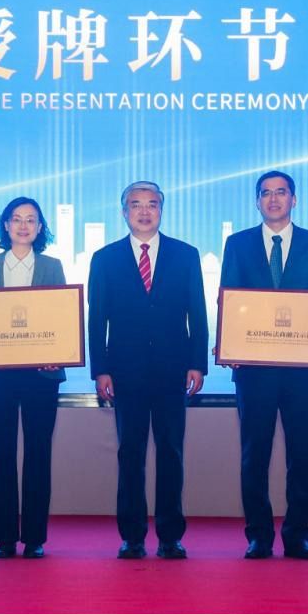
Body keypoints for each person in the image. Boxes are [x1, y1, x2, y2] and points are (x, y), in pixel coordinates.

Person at [218, 170, 308, 561]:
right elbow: (229, 299)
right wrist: (228, 341)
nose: (273, 199)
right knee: (254, 455)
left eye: (281, 192)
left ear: (294, 199)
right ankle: (258, 537)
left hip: (302, 372)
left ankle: (297, 536)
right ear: (257, 201)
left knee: (302, 456)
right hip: (253, 370)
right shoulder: (238, 244)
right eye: (266, 193)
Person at [87, 181, 208, 560]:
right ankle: (132, 536)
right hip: (125, 371)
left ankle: (171, 536)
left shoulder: (186, 255)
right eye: (136, 204)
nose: (144, 211)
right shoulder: (104, 259)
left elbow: (198, 313)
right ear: (124, 212)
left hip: (174, 369)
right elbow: (97, 319)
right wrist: (100, 369)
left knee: (171, 452)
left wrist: (197, 363)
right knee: (130, 453)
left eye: (151, 204)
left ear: (161, 210)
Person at [0, 197, 67, 559]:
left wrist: (58, 354)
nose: (23, 226)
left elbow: (61, 319)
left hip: (42, 375)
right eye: (17, 219)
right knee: (2, 453)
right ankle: (5, 537)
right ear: (6, 225)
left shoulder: (53, 267)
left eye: (31, 220)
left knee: (39, 454)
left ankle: (35, 538)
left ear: (40, 228)